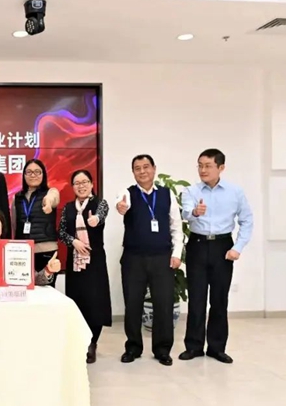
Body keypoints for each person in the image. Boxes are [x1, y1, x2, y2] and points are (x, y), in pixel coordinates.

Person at [178, 149, 253, 364]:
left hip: (223, 246)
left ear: (221, 168)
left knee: (219, 299)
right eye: (200, 165)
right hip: (197, 245)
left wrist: (237, 247)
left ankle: (217, 348)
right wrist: (195, 212)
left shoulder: (235, 192)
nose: (203, 170)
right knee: (197, 299)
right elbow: (185, 213)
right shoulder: (191, 190)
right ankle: (193, 346)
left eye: (208, 166)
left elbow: (247, 220)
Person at [116, 154, 183, 366]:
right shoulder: (127, 193)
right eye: (137, 168)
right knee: (133, 304)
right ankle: (133, 347)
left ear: (154, 169)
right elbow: (121, 205)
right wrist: (121, 207)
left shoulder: (166, 194)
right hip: (133, 259)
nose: (142, 171)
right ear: (133, 172)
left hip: (162, 258)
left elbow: (176, 226)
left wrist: (177, 254)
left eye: (146, 167)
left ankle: (162, 349)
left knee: (163, 304)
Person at [59, 170, 112, 364]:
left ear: (91, 184)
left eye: (84, 182)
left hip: (94, 261)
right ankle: (79, 341)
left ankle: (92, 343)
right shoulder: (68, 208)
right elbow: (61, 232)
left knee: (95, 301)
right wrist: (74, 242)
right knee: (77, 301)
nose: (81, 186)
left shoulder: (100, 203)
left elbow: (101, 215)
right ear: (73, 187)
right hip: (75, 262)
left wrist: (95, 219)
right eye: (77, 183)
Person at [12, 159, 60, 287]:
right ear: (24, 175)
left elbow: (53, 198)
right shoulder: (17, 197)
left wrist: (48, 203)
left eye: (37, 172)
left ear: (43, 174)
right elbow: (14, 225)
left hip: (46, 250)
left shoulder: (51, 192)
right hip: (23, 251)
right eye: (29, 172)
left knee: (46, 289)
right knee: (24, 289)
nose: (33, 175)